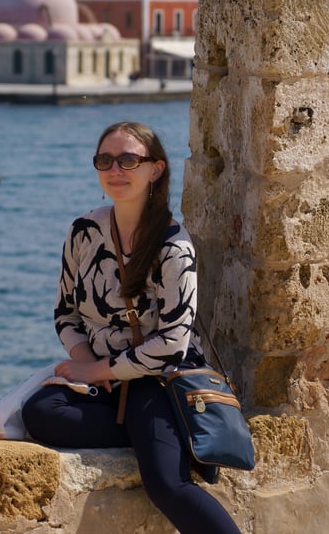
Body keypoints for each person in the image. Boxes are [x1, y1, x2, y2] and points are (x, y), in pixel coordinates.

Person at [22, 121, 242, 534]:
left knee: (167, 485)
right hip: (107, 382)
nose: (115, 170)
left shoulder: (174, 247)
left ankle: (159, 436)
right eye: (105, 160)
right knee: (40, 411)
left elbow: (174, 343)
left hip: (156, 380)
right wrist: (88, 364)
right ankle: (150, 435)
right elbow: (65, 313)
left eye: (128, 160)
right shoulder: (83, 231)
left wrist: (96, 372)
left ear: (155, 170)